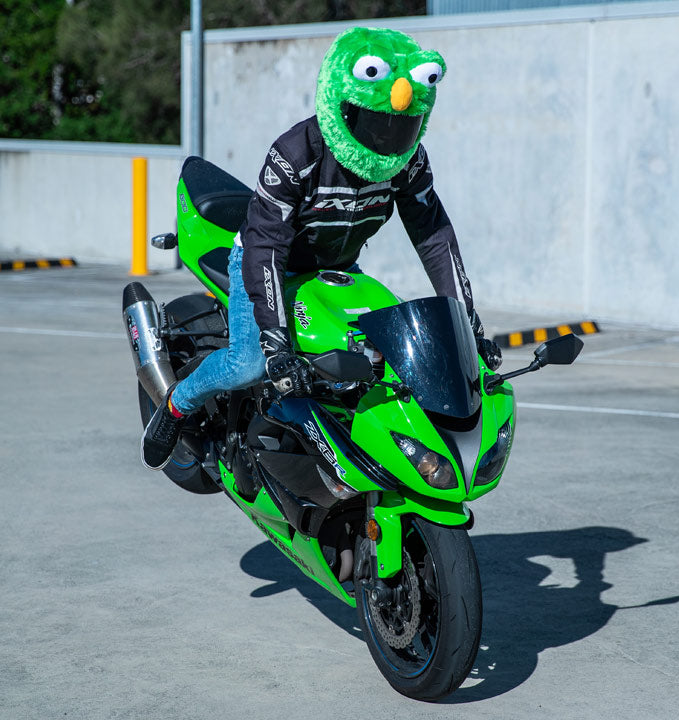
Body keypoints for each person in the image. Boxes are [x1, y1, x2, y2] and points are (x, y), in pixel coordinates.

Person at [142, 26, 502, 471]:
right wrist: (274, 340)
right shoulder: (295, 153)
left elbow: (433, 236)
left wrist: (468, 324)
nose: (386, 138)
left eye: (401, 126)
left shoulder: (409, 162)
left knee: (375, 366)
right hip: (261, 262)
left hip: (335, 268)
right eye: (375, 122)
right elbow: (266, 245)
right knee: (250, 363)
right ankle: (178, 402)